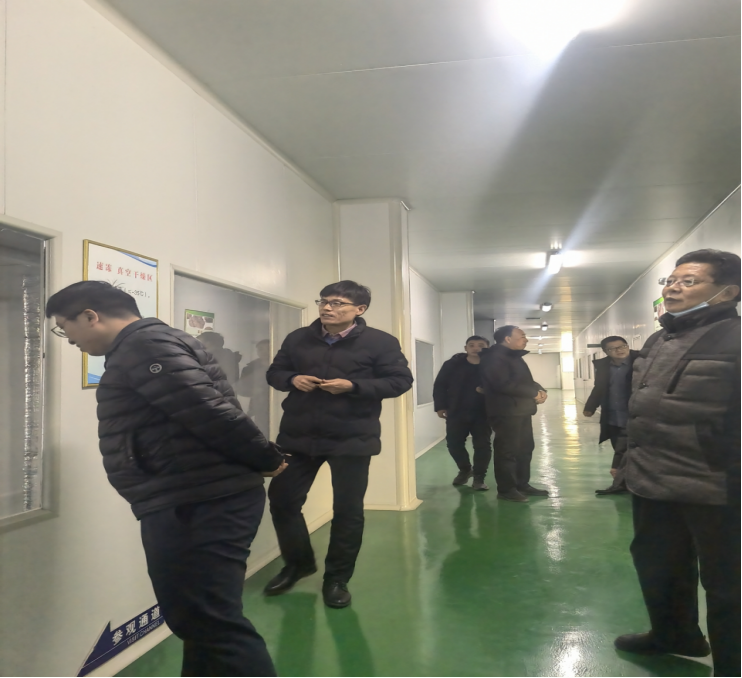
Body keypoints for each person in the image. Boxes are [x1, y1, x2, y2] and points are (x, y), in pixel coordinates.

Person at [46, 281, 286, 678]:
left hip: (199, 501)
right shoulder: (148, 344)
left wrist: (266, 458)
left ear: (90, 316)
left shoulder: (145, 347)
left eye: (64, 326)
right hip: (193, 496)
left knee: (211, 623)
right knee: (199, 621)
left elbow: (208, 412)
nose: (68, 338)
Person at [615, 249, 740, 678]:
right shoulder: (659, 339)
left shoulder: (735, 339)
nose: (673, 288)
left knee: (727, 584)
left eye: (689, 281)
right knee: (658, 564)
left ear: (728, 292)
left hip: (717, 483)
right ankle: (676, 635)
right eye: (670, 280)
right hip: (652, 477)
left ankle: (732, 666)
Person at [263, 280, 413, 608]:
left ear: (359, 309)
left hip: (352, 438)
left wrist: (353, 386)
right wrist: (292, 379)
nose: (327, 308)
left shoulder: (381, 342)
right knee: (282, 501)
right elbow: (274, 373)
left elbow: (401, 381)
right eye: (324, 301)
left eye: (337, 303)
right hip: (299, 436)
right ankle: (298, 564)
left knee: (347, 510)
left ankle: (337, 578)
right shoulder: (298, 338)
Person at [480, 325, 549, 502]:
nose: (526, 339)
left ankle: (521, 484)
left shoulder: (513, 356)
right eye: (522, 336)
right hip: (506, 411)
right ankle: (506, 489)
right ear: (507, 339)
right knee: (507, 451)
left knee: (524, 449)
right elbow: (501, 384)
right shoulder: (494, 357)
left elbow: (525, 381)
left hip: (521, 410)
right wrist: (533, 393)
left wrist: (540, 390)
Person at [433, 335, 492, 490]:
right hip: (456, 410)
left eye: (481, 345)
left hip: (483, 412)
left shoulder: (492, 365)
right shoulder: (452, 365)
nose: (476, 348)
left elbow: (502, 385)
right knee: (453, 443)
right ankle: (465, 469)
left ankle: (479, 478)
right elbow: (440, 385)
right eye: (471, 345)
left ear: (487, 348)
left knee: (482, 445)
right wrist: (440, 406)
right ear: (466, 348)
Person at [583, 336, 640, 495]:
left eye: (622, 346)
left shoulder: (641, 361)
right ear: (606, 351)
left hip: (636, 414)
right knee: (619, 448)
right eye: (613, 349)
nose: (619, 350)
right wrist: (590, 406)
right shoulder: (604, 367)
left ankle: (627, 483)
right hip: (613, 415)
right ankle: (623, 483)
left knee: (629, 450)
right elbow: (599, 388)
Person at [236, 339, 272, 435]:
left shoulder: (283, 365)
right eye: (261, 349)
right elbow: (241, 388)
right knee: (263, 431)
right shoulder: (250, 368)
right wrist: (254, 391)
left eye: (268, 348)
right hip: (260, 405)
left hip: (280, 403)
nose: (265, 352)